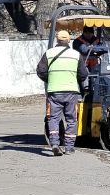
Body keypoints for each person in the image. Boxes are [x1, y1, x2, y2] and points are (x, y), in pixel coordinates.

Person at [36, 27, 89, 157]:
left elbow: (40, 71)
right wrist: (74, 79)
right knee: (71, 119)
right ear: (69, 40)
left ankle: (54, 144)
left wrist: (51, 79)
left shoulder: (49, 53)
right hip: (71, 92)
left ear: (57, 40)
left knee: (53, 118)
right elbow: (83, 74)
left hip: (54, 91)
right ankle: (69, 147)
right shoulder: (76, 55)